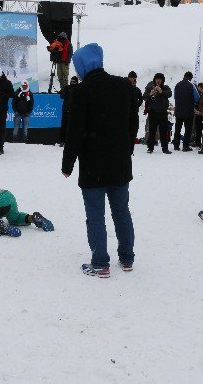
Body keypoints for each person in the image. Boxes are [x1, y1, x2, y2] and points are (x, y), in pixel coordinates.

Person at [62, 43, 139, 278]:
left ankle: (100, 263)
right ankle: (127, 259)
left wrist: (68, 165)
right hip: (120, 164)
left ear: (83, 65)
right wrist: (126, 150)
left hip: (93, 164)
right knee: (121, 211)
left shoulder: (81, 92)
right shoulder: (124, 86)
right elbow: (132, 124)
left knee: (95, 214)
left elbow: (74, 132)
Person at [144, 73, 172, 154]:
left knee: (164, 131)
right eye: (157, 79)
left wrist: (161, 91)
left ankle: (165, 148)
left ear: (162, 80)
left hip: (163, 112)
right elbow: (144, 97)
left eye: (160, 79)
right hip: (153, 112)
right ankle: (150, 148)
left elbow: (170, 94)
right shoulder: (150, 88)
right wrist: (150, 93)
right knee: (152, 131)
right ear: (154, 80)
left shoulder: (166, 87)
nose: (158, 80)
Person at [173, 71, 196, 151]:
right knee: (188, 129)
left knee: (177, 129)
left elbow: (175, 97)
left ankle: (176, 145)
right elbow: (196, 98)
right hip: (189, 111)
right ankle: (185, 146)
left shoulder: (177, 85)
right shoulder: (191, 85)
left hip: (179, 111)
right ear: (190, 78)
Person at [59, 76, 78, 146]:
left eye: (74, 82)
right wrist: (65, 93)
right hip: (65, 110)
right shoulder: (67, 87)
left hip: (74, 111)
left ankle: (71, 141)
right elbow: (61, 95)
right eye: (71, 81)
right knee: (63, 125)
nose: (72, 83)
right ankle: (62, 141)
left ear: (76, 82)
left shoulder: (78, 88)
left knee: (72, 127)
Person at [192, 82, 203, 147]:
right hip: (197, 115)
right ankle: (197, 143)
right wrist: (196, 111)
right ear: (198, 87)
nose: (202, 88)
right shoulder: (195, 95)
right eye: (201, 87)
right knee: (198, 130)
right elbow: (192, 104)